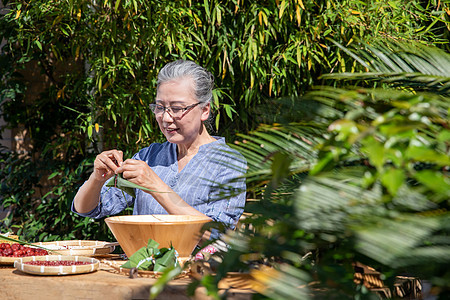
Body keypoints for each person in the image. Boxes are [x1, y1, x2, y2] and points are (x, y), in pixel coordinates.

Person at [72, 60, 247, 240]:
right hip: (139, 266)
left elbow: (218, 235)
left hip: (195, 267)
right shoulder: (148, 157)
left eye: (177, 108)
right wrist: (96, 179)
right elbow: (86, 209)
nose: (166, 118)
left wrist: (156, 187)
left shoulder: (227, 162)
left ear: (204, 110)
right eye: (160, 107)